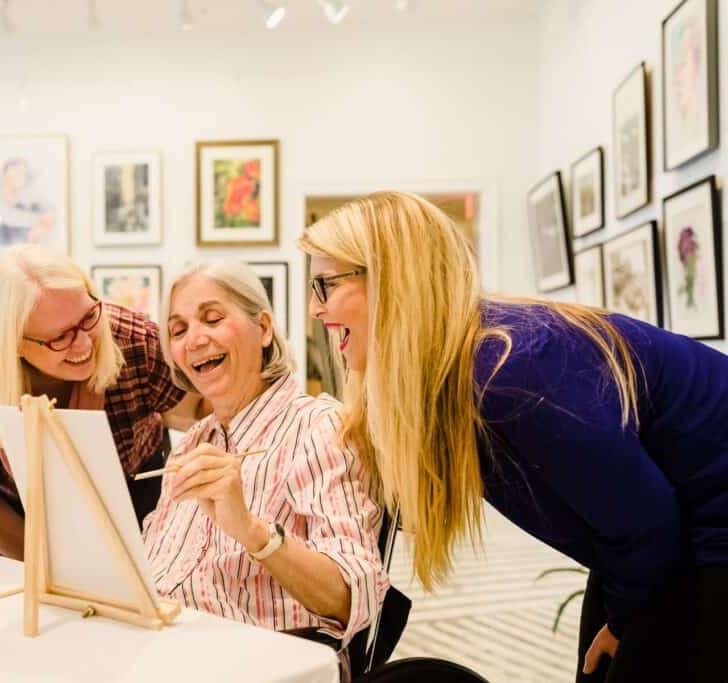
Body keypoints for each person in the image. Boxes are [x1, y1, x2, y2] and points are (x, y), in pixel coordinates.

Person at [299, 190, 728, 682]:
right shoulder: (459, 364)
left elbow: (647, 524)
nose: (315, 308)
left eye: (325, 285)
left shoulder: (506, 367)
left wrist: (628, 620)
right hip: (659, 534)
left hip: (700, 528)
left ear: (393, 280)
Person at [144, 261, 388, 679]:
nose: (195, 339)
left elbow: (353, 598)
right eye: (178, 329)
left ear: (264, 329)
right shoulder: (192, 444)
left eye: (212, 318)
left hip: (260, 664)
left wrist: (251, 530)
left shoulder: (317, 426)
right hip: (163, 651)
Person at [0, 245, 206, 559]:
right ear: (14, 343)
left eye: (89, 316)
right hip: (16, 515)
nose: (84, 344)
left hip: (130, 489)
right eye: (60, 337)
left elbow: (194, 412)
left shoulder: (132, 339)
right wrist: (51, 568)